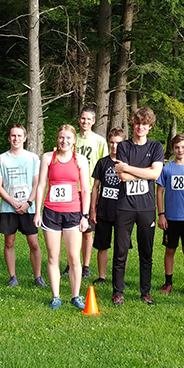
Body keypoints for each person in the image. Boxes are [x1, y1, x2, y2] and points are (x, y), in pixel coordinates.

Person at [34, 125, 90, 310]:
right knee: (53, 256)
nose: (64, 141)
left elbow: (86, 190)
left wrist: (85, 216)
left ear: (74, 140)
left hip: (73, 213)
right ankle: (56, 296)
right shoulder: (48, 158)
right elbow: (41, 185)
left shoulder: (80, 160)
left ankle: (76, 296)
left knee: (74, 257)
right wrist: (37, 212)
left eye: (68, 138)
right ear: (56, 139)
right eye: (61, 138)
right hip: (51, 213)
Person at [112, 108, 164, 307]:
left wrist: (128, 168)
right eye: (137, 123)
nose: (140, 127)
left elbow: (156, 175)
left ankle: (145, 292)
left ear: (150, 127)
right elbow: (123, 177)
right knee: (120, 251)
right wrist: (146, 171)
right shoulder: (124, 146)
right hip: (125, 206)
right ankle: (118, 292)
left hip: (146, 207)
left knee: (146, 252)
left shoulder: (156, 147)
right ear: (133, 124)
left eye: (145, 124)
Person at [0, 124, 44, 287]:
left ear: (25, 137)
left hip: (28, 207)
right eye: (13, 136)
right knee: (9, 243)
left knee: (34, 243)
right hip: (9, 208)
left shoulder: (33, 158)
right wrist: (14, 202)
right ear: (9, 138)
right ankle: (12, 277)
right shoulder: (0, 159)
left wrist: (29, 202)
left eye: (19, 136)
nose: (16, 138)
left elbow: (37, 183)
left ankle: (38, 277)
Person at [157, 133, 184, 296]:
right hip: (171, 218)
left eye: (183, 147)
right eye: (177, 147)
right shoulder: (167, 168)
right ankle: (168, 282)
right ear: (172, 149)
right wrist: (161, 214)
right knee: (170, 250)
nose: (180, 150)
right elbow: (160, 191)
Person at [67, 107, 108, 279]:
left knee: (87, 230)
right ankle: (71, 263)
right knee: (70, 228)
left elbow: (104, 165)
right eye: (82, 118)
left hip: (90, 189)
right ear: (79, 120)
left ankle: (85, 265)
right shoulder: (72, 140)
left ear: (93, 121)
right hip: (71, 187)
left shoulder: (99, 141)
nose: (85, 122)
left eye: (88, 119)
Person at [90, 128, 125, 286]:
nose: (114, 146)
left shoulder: (127, 164)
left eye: (118, 143)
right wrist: (93, 210)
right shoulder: (103, 162)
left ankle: (119, 279)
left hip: (123, 212)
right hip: (104, 210)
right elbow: (95, 187)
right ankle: (102, 276)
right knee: (102, 246)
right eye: (111, 142)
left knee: (121, 248)